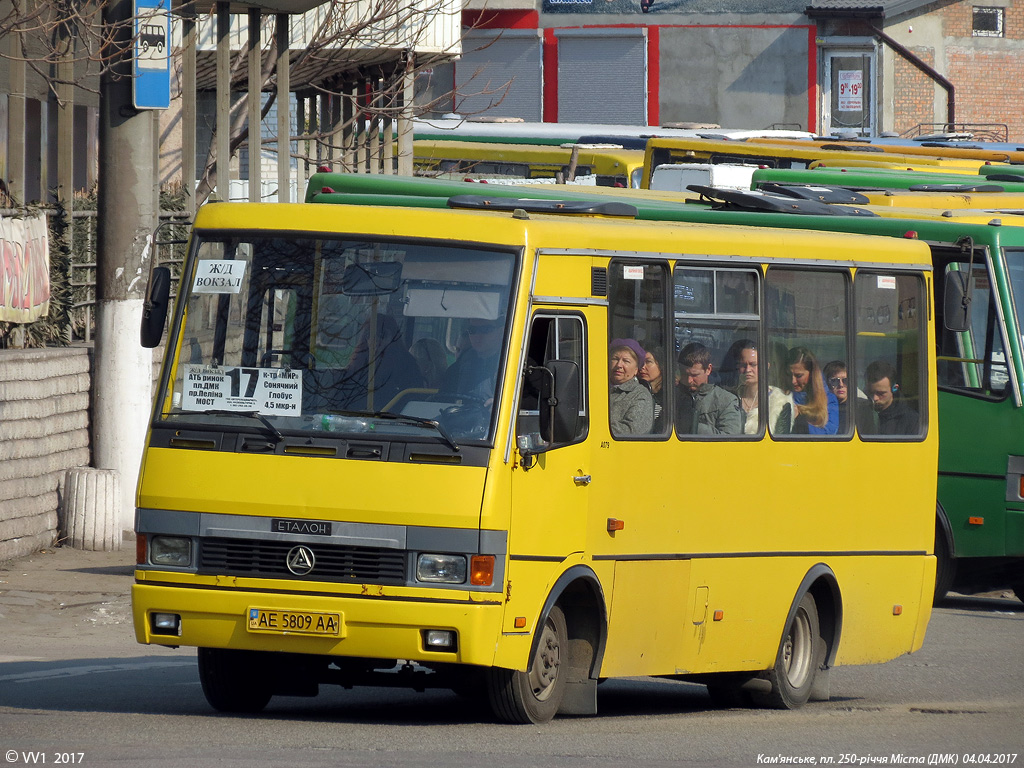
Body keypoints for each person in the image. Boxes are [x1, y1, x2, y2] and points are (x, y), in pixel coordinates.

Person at [341, 314, 425, 411]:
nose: (375, 341)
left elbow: (412, 399)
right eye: (369, 335)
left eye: (382, 335)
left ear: (393, 337)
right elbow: (349, 394)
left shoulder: (406, 364)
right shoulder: (359, 362)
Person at [676, 342, 743, 435]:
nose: (689, 380)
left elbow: (730, 439)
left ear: (708, 369)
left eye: (694, 375)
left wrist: (693, 426)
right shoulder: (673, 395)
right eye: (684, 374)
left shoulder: (726, 401)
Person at [726, 339, 790, 435]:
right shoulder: (729, 398)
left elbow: (780, 442)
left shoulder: (780, 403)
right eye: (743, 365)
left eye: (753, 365)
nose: (748, 370)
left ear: (766, 366)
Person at [440, 318, 504, 401]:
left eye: (486, 329)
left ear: (501, 332)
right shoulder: (457, 368)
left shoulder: (511, 364)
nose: (477, 336)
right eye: (472, 330)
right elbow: (442, 399)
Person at [786, 346, 838, 435]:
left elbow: (829, 434)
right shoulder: (779, 396)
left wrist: (799, 419)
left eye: (799, 376)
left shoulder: (829, 399)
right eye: (788, 374)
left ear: (811, 374)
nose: (793, 381)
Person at [609, 338, 654, 435]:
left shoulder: (640, 395)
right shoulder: (596, 388)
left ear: (636, 370)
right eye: (615, 359)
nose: (619, 365)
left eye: (626, 361)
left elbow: (632, 430)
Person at [865, 360, 920, 435]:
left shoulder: (912, 421)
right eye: (870, 392)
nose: (875, 398)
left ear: (895, 388)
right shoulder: (858, 411)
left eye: (881, 393)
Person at [824, 360, 874, 434]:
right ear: (827, 383)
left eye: (845, 380)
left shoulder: (862, 407)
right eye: (834, 381)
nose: (841, 385)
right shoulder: (822, 407)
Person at [639, 348, 667, 433]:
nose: (643, 367)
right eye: (640, 362)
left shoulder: (671, 395)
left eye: (648, 362)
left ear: (661, 365)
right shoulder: (633, 392)